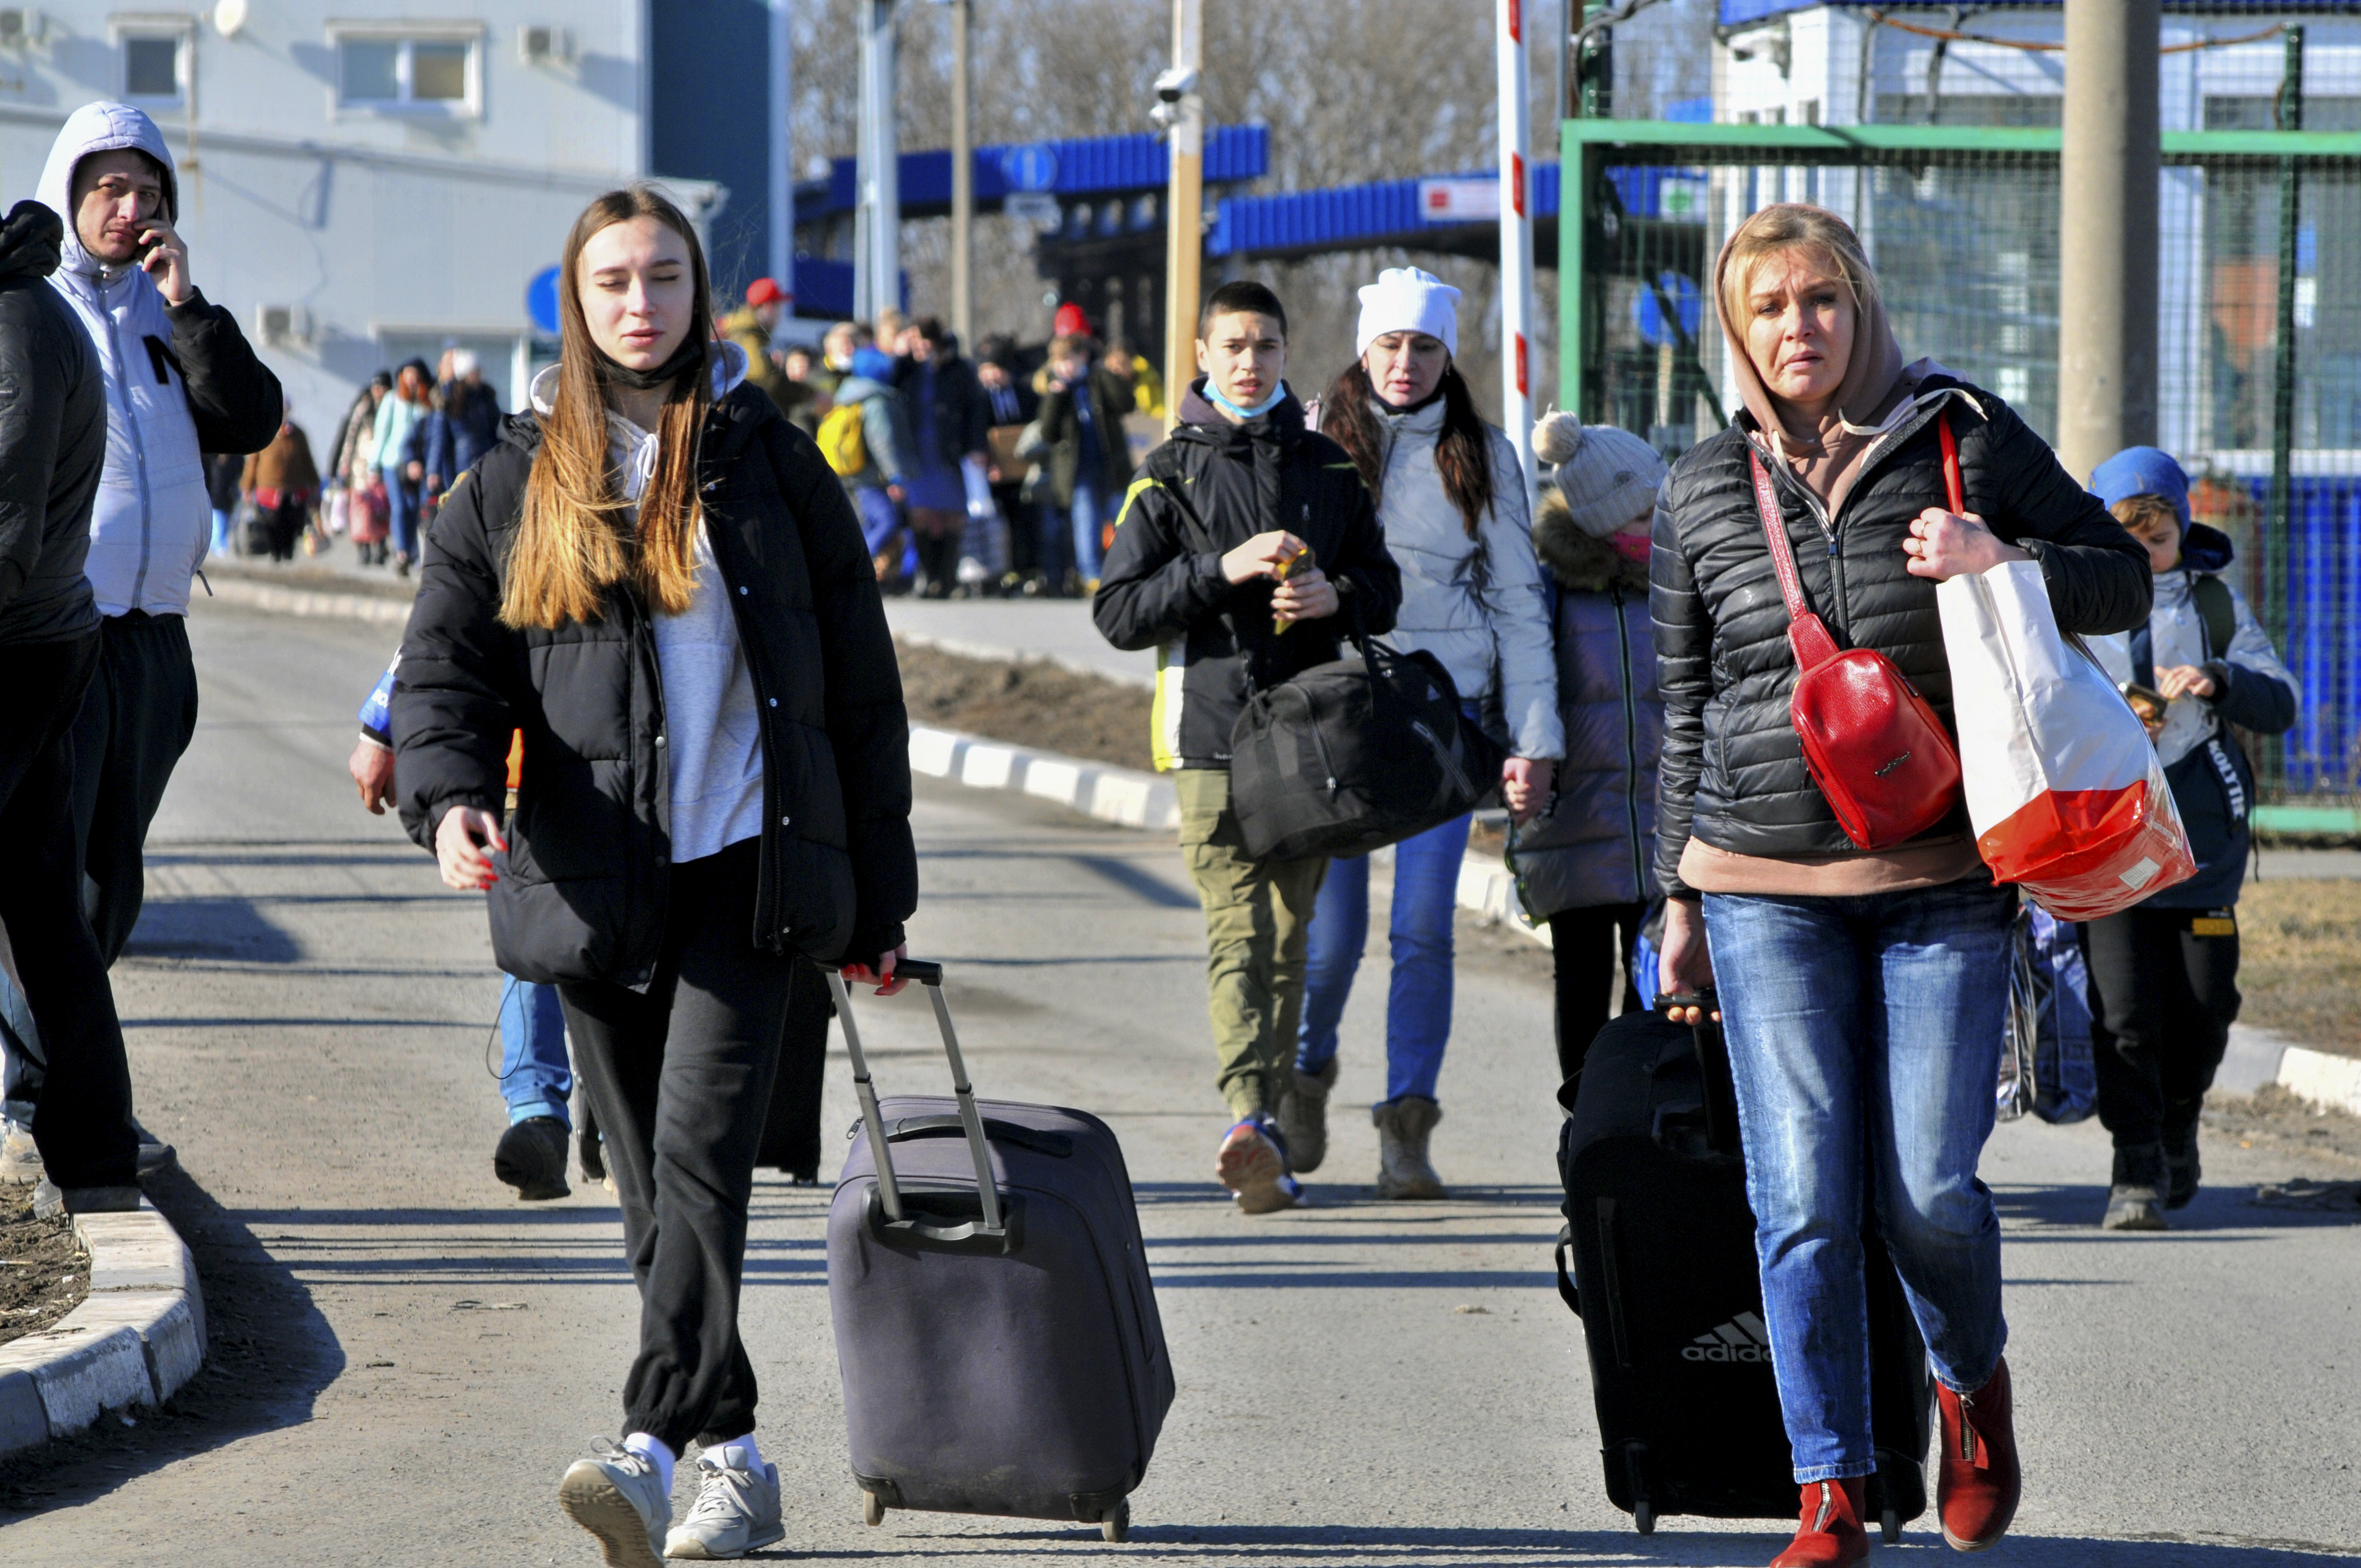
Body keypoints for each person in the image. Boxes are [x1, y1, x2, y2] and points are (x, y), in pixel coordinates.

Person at [393, 184, 916, 1564]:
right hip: (592, 878)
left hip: (748, 875)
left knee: (695, 1157)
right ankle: (735, 1459)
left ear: (700, 295)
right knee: (654, 1200)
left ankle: (642, 1440)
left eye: (665, 278)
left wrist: (881, 898)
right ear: (578, 299)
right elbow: (444, 666)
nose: (641, 303)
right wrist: (448, 800)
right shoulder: (510, 479)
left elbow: (861, 691)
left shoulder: (770, 465)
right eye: (615, 279)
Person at [1651, 204, 2150, 1565]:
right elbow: (1681, 702)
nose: (1796, 326)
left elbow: (2120, 575)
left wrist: (2005, 559)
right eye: (1768, 307)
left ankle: (1968, 1390)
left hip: (1939, 871)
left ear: (1858, 309)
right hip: (1755, 881)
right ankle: (1828, 1482)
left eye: (1819, 299)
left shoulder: (1961, 437)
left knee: (1927, 1186)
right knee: (1799, 1195)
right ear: (1736, 328)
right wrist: (1675, 896)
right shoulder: (1700, 485)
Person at [1092, 279, 1402, 1216]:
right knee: (1241, 930)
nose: (1249, 360)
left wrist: (1332, 597)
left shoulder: (1331, 469)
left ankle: (1263, 1119)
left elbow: (1382, 587)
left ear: (1281, 352)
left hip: (1310, 741)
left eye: (1264, 344)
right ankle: (1248, 1117)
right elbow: (1117, 612)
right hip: (1209, 738)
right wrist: (1216, 569)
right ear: (1201, 355)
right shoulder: (1167, 473)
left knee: (1291, 936)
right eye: (1231, 345)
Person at [1280, 268, 1561, 1199]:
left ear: (1449, 354)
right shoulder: (1315, 439)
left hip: (1439, 724)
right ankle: (1305, 1075)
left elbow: (1521, 605)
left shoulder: (1481, 453)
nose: (1406, 363)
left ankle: (1407, 1125)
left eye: (1426, 346)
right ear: (1365, 348)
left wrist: (1531, 738)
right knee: (1329, 941)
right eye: (1391, 344)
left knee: (1421, 930)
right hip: (1336, 720)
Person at [39, 102, 281, 972]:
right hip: (61, 629)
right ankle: (40, 1083)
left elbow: (250, 422)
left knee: (113, 874)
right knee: (46, 868)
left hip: (157, 636)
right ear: (68, 194)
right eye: (109, 189)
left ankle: (60, 1073)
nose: (130, 210)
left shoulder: (171, 311)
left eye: (148, 192)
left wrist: (187, 309)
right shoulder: (33, 309)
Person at [2081, 447, 2298, 1231]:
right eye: (2127, 538)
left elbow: (2281, 699)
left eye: (2159, 536)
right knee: (2124, 1013)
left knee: (2205, 1003)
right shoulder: (2072, 606)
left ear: (2181, 531)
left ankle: (2179, 1121)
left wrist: (2220, 680)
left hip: (2203, 845)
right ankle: (2134, 1165)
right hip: (2109, 840)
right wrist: (2113, 713)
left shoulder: (2213, 606)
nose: (2146, 552)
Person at [0, 194, 144, 1218]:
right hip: (37, 641)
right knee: (43, 902)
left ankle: (93, 1140)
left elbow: (5, 515)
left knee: (47, 902)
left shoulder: (12, 325)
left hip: (16, 649)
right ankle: (92, 1147)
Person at [351, 656, 580, 1201]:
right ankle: (538, 1115)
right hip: (537, 760)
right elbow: (440, 623)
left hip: (665, 772)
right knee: (536, 934)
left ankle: (636, 1115)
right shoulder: (504, 564)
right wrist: (378, 724)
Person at [1519, 413, 1666, 1083]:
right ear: (1599, 522)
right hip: (1576, 826)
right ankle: (1582, 1123)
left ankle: (1637, 1126)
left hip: (1659, 830)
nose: (1655, 527)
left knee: (1656, 986)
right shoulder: (1550, 598)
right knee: (1579, 980)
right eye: (1640, 516)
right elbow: (1524, 696)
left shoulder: (1676, 589)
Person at [891, 317, 989, 596]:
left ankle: (948, 578)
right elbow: (892, 390)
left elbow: (975, 410)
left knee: (951, 516)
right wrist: (901, 355)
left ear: (935, 340)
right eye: (914, 342)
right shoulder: (908, 369)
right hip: (917, 453)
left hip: (948, 451)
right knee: (920, 514)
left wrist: (976, 447)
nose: (919, 348)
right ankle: (929, 576)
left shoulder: (958, 368)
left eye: (923, 341)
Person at [1037, 333, 1135, 591]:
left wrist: (1105, 374)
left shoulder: (1098, 380)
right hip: (1078, 471)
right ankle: (1092, 578)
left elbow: (1126, 403)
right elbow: (1048, 433)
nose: (1063, 368)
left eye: (1068, 361)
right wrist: (1056, 397)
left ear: (1082, 358)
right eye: (1058, 363)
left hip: (1111, 466)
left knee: (1124, 519)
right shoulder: (1055, 388)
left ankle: (1128, 572)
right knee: (1086, 524)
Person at [822, 344, 913, 588]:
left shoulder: (848, 395)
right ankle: (849, 566)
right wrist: (896, 477)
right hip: (869, 476)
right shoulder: (876, 401)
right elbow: (883, 442)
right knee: (888, 520)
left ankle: (860, 571)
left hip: (852, 472)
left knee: (872, 522)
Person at [975, 337, 1040, 590]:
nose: (991, 376)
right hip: (994, 472)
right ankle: (1006, 570)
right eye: (986, 370)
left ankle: (1030, 569)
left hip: (1023, 470)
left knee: (1027, 518)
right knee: (1002, 523)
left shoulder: (1025, 394)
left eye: (996, 370)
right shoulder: (980, 398)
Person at [374, 357, 433, 576]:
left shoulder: (425, 404)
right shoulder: (392, 400)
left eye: (415, 375)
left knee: (413, 508)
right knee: (398, 508)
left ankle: (413, 552)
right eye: (407, 374)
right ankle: (401, 553)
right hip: (392, 462)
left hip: (416, 466)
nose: (411, 379)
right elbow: (382, 431)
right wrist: (374, 464)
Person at [425, 349, 505, 495]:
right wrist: (433, 470)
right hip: (461, 462)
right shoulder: (449, 398)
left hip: (487, 458)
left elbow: (498, 428)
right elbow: (439, 437)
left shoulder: (486, 397)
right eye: (475, 371)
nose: (479, 375)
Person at [240, 418, 319, 562]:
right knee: (272, 521)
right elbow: (253, 461)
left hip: (294, 487)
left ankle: (288, 552)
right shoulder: (264, 432)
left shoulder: (298, 434)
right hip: (269, 488)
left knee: (293, 521)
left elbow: (307, 459)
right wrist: (247, 486)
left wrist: (314, 481)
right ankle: (275, 552)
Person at [335, 370, 393, 564]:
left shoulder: (393, 406)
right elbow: (350, 437)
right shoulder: (364, 407)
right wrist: (345, 464)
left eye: (382, 388)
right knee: (361, 509)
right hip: (360, 465)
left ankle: (380, 546)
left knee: (381, 507)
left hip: (382, 467)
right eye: (376, 387)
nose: (379, 392)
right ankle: (364, 548)